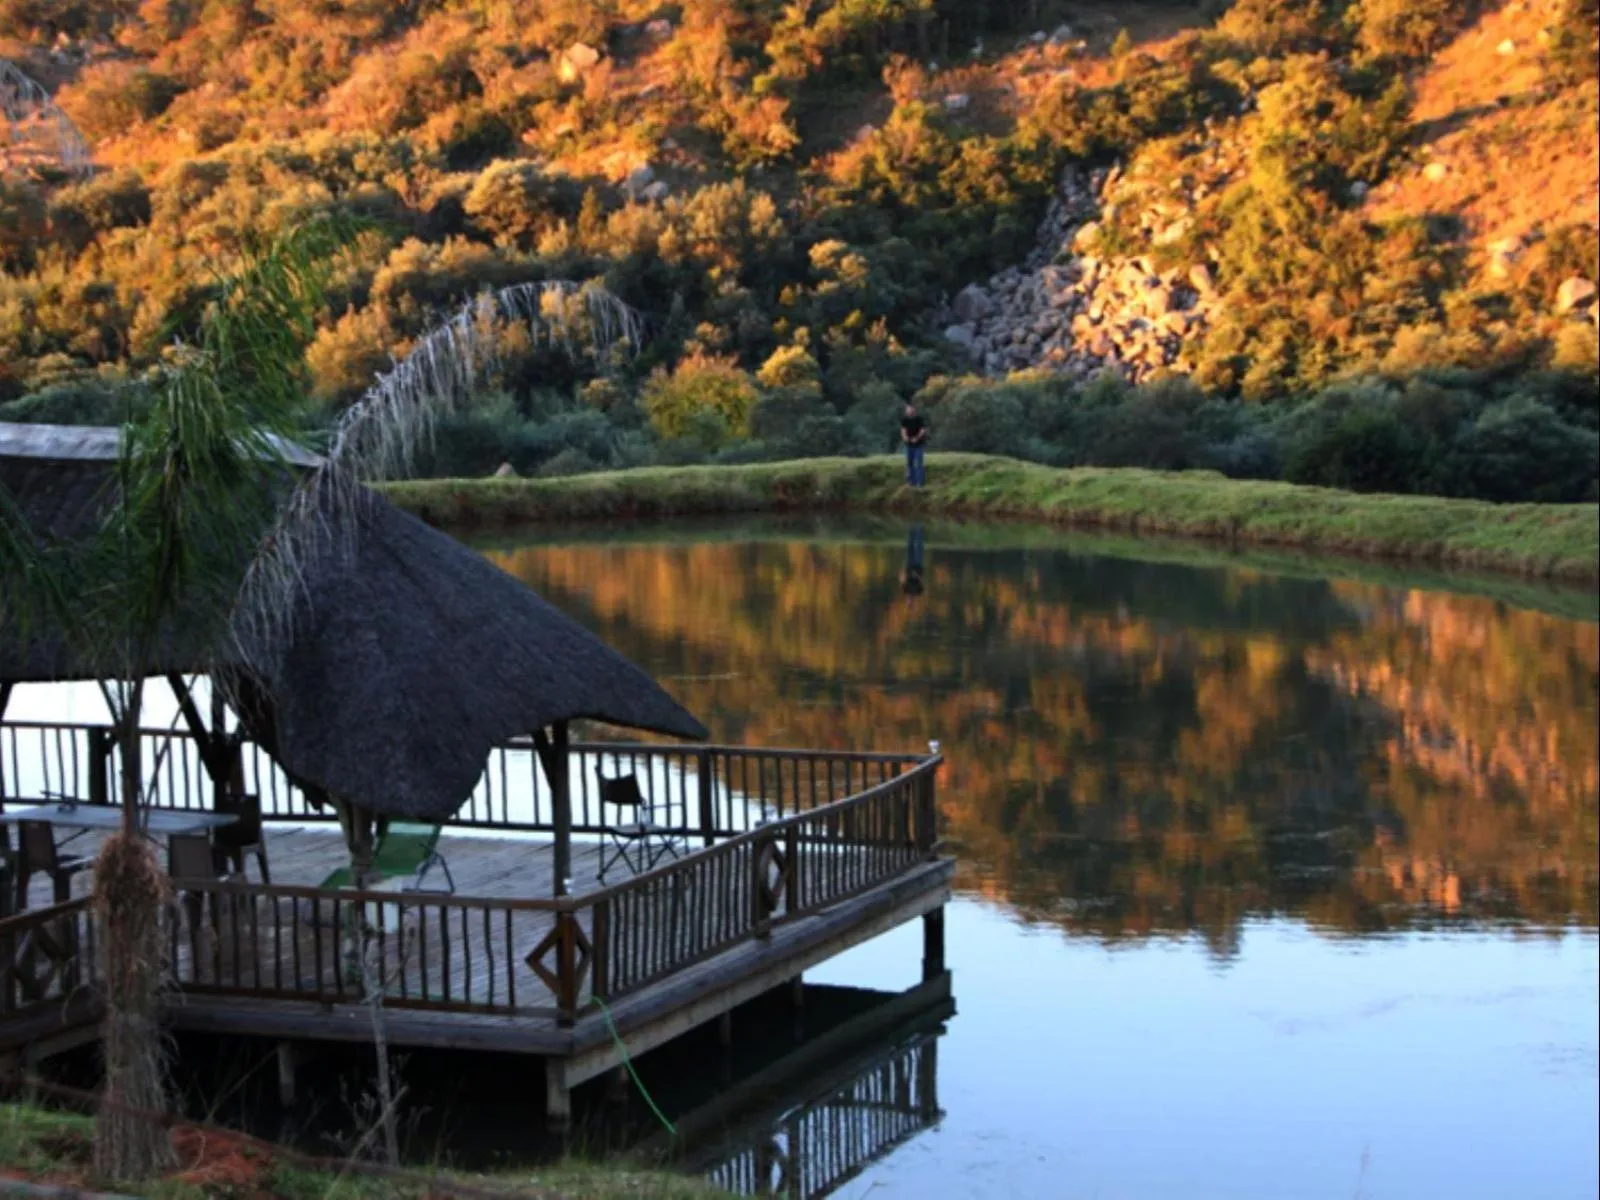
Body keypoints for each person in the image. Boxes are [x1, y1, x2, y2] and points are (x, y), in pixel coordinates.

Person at [900, 401, 928, 487]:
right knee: (909, 463)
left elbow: (922, 430)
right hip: (909, 445)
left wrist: (916, 438)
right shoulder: (905, 420)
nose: (909, 411)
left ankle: (920, 482)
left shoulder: (919, 419)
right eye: (908, 409)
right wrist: (906, 438)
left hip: (918, 444)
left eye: (910, 409)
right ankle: (911, 482)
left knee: (919, 463)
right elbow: (903, 430)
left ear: (914, 410)